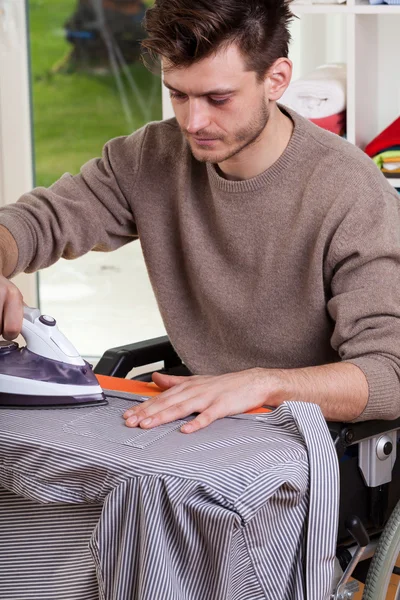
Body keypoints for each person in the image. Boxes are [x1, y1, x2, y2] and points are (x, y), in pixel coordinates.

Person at [0, 0, 399, 434]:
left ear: (276, 79)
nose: (193, 122)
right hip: (199, 418)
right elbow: (40, 221)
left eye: (218, 98)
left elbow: (389, 374)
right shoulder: (149, 157)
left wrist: (263, 386)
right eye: (179, 94)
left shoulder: (352, 192)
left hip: (312, 435)